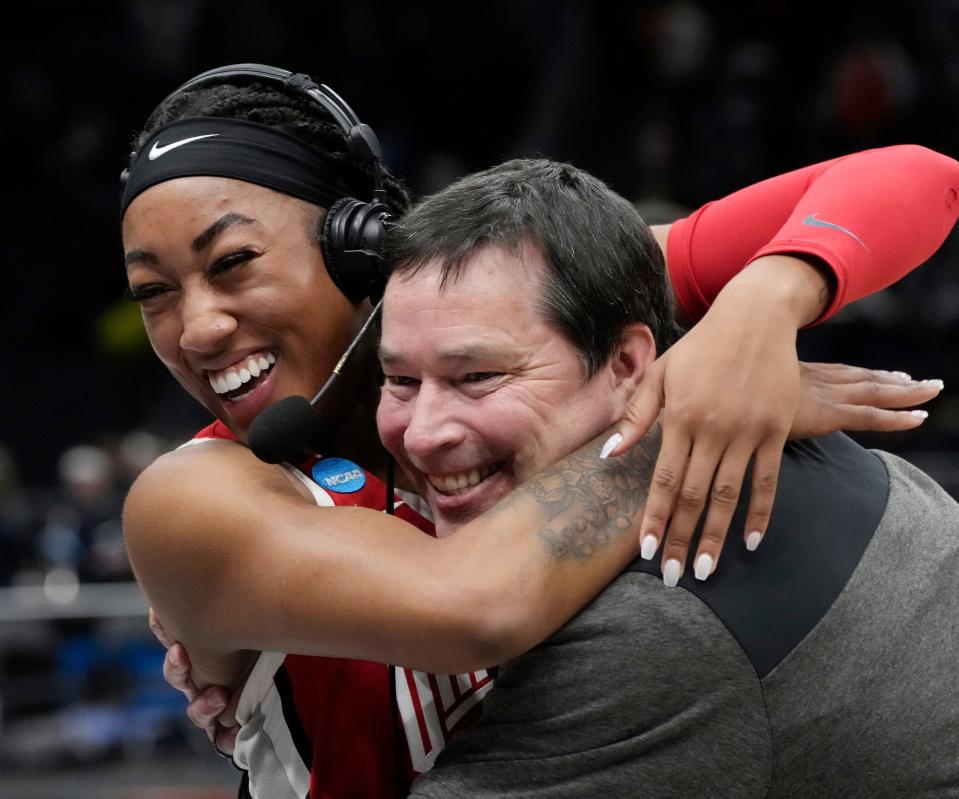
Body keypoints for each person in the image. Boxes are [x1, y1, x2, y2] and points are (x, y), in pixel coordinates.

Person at [122, 64, 955, 797]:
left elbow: (921, 175)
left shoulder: (505, 296)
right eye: (153, 292)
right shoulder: (189, 497)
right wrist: (690, 407)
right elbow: (470, 600)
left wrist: (762, 307)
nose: (195, 328)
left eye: (232, 263)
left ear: (359, 243)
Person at [365, 158, 959, 797]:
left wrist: (762, 299)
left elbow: (931, 174)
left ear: (627, 364)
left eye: (477, 378)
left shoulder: (650, 627)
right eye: (400, 381)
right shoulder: (773, 434)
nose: (423, 433)